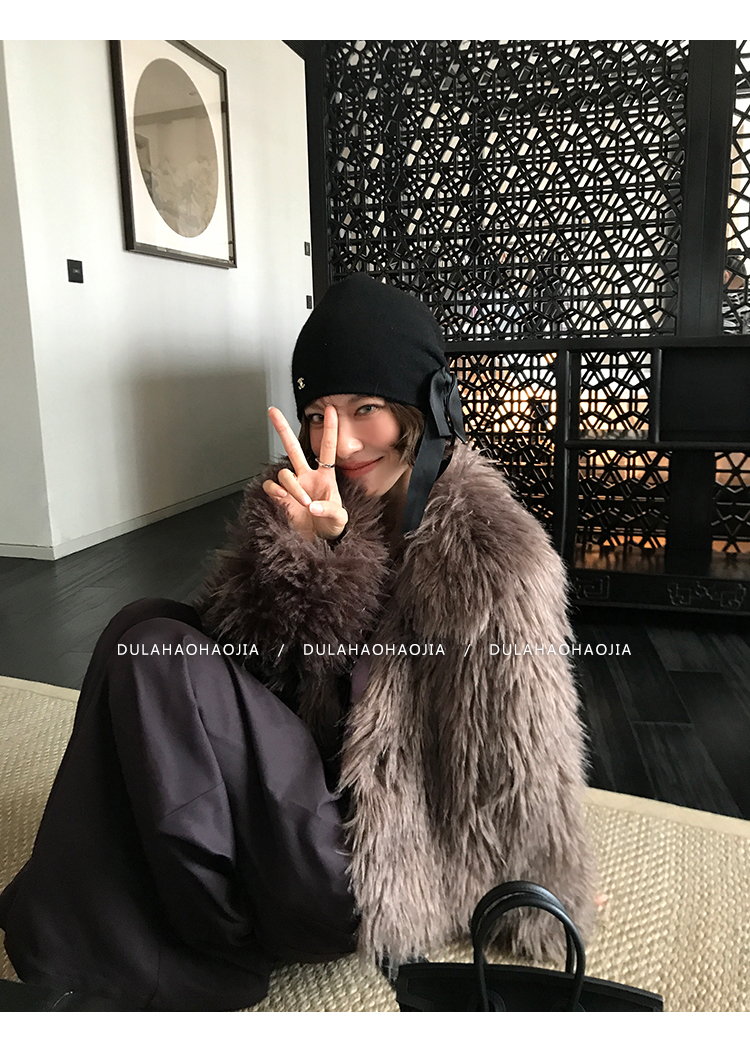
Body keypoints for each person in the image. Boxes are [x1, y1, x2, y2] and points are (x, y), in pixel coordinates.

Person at [0, 274, 596, 1010]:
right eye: (317, 414)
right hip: (292, 803)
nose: (336, 441)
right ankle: (81, 933)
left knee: (158, 660)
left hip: (362, 863)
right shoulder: (306, 498)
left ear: (428, 408)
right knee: (142, 629)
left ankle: (195, 957)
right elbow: (246, 670)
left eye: (365, 408)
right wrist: (312, 558)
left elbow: (524, 763)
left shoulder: (494, 560)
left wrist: (540, 897)